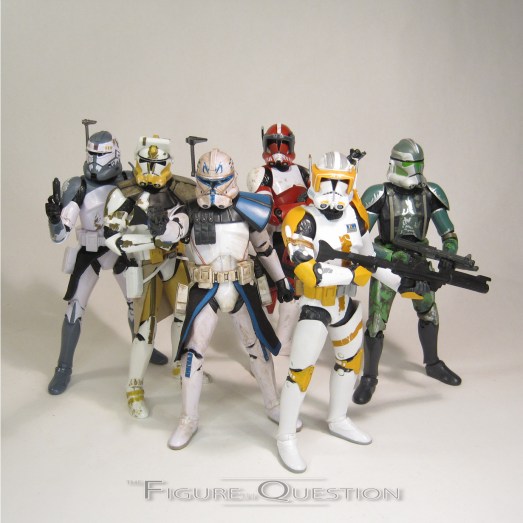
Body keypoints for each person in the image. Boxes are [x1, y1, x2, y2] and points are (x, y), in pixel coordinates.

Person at [277, 151, 409, 473]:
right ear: (315, 180)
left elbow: (370, 257)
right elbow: (308, 271)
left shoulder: (355, 214)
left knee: (350, 363)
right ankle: (285, 436)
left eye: (342, 184)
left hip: (345, 304)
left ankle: (338, 418)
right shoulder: (301, 219)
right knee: (300, 371)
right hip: (316, 304)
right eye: (328, 183)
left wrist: (403, 284)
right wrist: (352, 274)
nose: (335, 192)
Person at [168, 148, 294, 450]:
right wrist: (163, 228)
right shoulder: (188, 210)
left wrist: (281, 280)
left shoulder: (247, 208)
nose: (213, 190)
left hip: (241, 287)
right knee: (192, 353)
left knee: (258, 347)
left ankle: (273, 404)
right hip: (206, 289)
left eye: (219, 182)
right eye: (208, 183)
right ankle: (188, 418)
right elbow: (173, 230)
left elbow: (264, 248)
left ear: (231, 178)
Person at [45, 125, 167, 396]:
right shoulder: (78, 187)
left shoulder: (129, 180)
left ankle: (145, 347)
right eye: (91, 153)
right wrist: (54, 218)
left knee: (136, 304)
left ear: (114, 153)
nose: (95, 160)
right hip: (90, 251)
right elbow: (59, 236)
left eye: (101, 154)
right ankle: (63, 367)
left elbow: (149, 210)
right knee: (74, 308)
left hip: (121, 249)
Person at [353, 139, 461, 405]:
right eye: (410, 165)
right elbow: (360, 239)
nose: (415, 171)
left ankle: (432, 363)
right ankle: (369, 377)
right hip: (387, 264)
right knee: (376, 322)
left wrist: (448, 255)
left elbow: (449, 233)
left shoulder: (430, 193)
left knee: (429, 312)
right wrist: (390, 257)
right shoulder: (379, 194)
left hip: (419, 264)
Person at [104, 135, 189, 418]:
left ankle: (180, 365)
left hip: (175, 262)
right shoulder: (123, 195)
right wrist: (149, 240)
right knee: (145, 329)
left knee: (184, 315)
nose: (153, 168)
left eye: (159, 163)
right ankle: (134, 387)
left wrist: (173, 232)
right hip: (145, 266)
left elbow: (188, 224)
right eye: (147, 162)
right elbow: (113, 238)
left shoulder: (178, 191)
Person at [247, 123, 309, 354]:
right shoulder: (261, 174)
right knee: (270, 292)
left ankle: (282, 340)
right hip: (272, 240)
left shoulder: (303, 172)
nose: (278, 149)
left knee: (295, 291)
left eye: (283, 144)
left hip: (301, 237)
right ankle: (268, 337)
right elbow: (269, 214)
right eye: (273, 144)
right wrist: (303, 205)